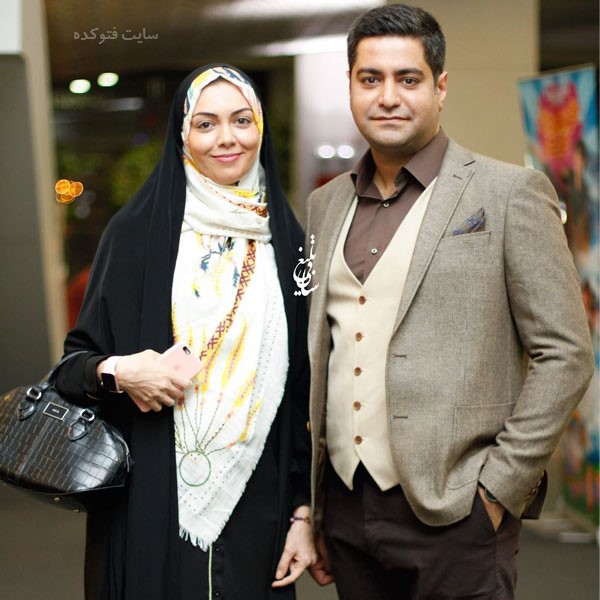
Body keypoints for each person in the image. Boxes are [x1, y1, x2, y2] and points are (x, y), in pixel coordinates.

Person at [304, 5, 594, 599]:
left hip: (459, 510)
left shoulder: (509, 192)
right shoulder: (325, 205)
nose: (388, 96)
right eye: (370, 79)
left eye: (407, 79)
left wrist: (499, 488)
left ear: (440, 88)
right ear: (351, 86)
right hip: (348, 508)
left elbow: (565, 352)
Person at [56, 64, 315, 600]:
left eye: (241, 120)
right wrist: (121, 370)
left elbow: (303, 392)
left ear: (260, 128)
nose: (227, 138)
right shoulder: (135, 234)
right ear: (182, 135)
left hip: (258, 500)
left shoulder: (288, 242)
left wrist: (303, 513)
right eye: (206, 123)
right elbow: (72, 367)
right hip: (150, 496)